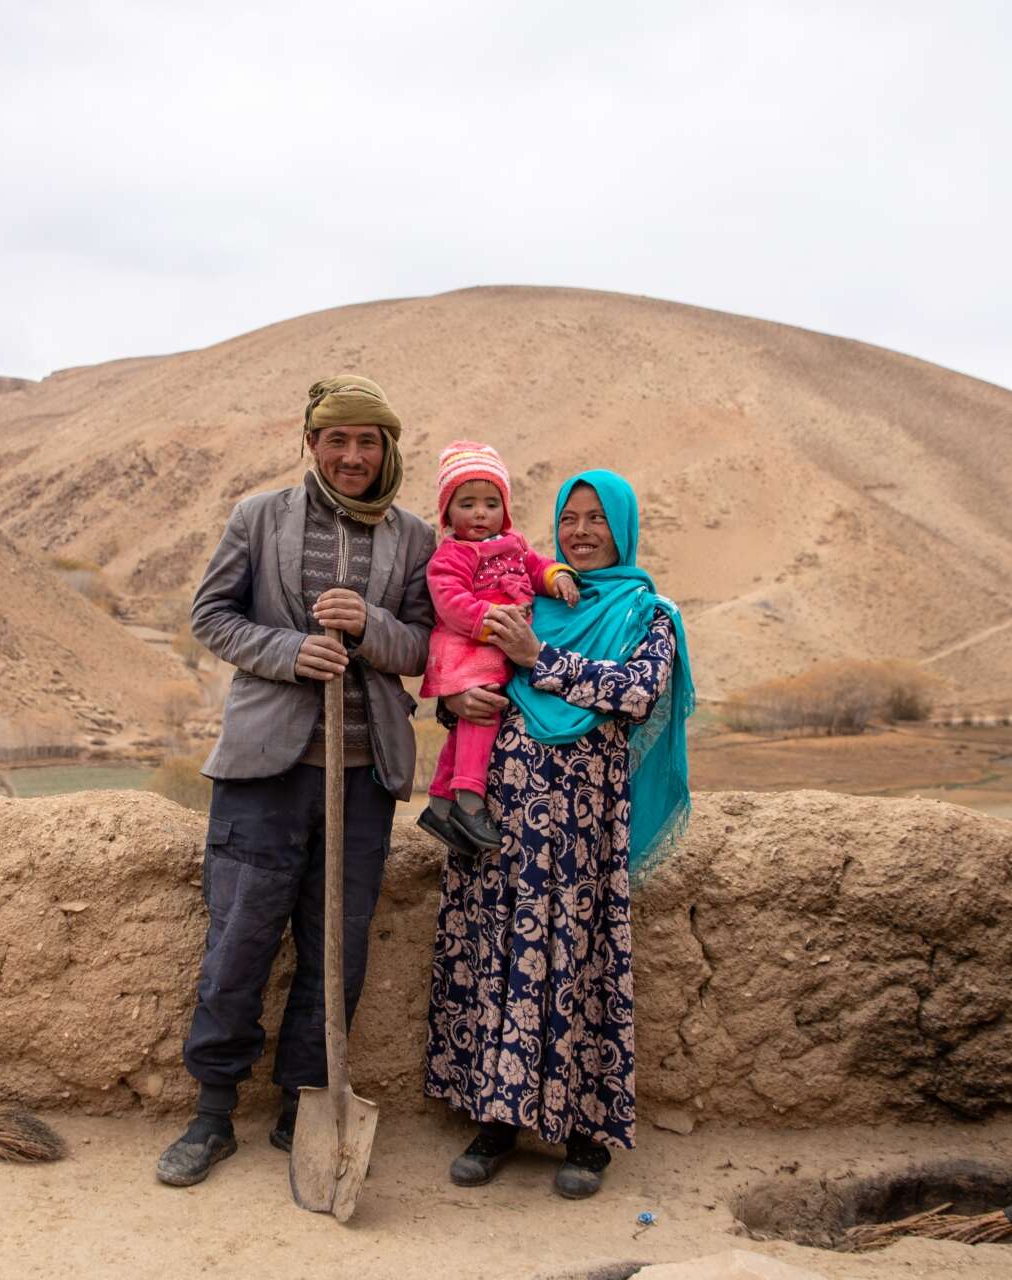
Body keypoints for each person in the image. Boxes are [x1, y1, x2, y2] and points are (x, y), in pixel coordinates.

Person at [156, 375, 435, 1187]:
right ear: (311, 443)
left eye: (368, 441)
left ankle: (303, 1109)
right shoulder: (259, 517)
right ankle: (211, 1113)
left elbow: (420, 646)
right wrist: (288, 652)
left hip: (363, 777)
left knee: (335, 951)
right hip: (263, 774)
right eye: (338, 439)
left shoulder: (413, 537)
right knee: (239, 938)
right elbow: (211, 616)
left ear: (387, 448)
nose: (353, 456)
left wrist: (369, 629)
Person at [423, 469, 695, 1199]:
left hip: (580, 828)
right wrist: (462, 698)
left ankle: (585, 1135)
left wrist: (538, 660)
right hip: (497, 819)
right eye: (569, 518)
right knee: (497, 952)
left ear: (624, 529)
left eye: (595, 520)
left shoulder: (649, 614)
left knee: (575, 960)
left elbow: (633, 694)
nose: (579, 532)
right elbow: (474, 666)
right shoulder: (539, 598)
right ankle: (494, 1120)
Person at [417, 441, 579, 855]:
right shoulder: (452, 554)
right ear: (448, 511)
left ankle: (439, 802)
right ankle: (470, 799)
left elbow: (538, 566)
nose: (480, 513)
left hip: (492, 644)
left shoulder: (514, 545)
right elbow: (450, 601)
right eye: (467, 503)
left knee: (474, 714)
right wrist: (492, 621)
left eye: (490, 503)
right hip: (467, 644)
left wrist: (557, 577)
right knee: (484, 710)